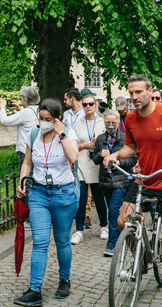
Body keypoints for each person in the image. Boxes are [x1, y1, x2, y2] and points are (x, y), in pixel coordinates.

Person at [15, 98, 80, 306]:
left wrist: (61, 135)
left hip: (63, 194)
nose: (43, 122)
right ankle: (35, 290)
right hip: (39, 194)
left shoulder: (69, 134)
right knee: (40, 242)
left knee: (62, 240)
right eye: (41, 118)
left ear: (58, 119)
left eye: (48, 119)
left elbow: (73, 158)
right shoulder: (33, 134)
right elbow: (27, 162)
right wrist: (22, 182)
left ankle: (64, 280)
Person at [104, 74, 162, 232]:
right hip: (144, 179)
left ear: (150, 91)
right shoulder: (131, 119)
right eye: (131, 93)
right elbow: (131, 147)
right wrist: (116, 155)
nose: (134, 97)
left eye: (139, 92)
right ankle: (138, 253)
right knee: (123, 221)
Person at [90, 109, 136, 257]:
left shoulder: (125, 139)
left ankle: (112, 243)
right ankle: (124, 235)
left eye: (113, 123)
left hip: (120, 181)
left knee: (114, 211)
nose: (110, 125)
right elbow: (95, 159)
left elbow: (133, 160)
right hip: (105, 181)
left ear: (118, 123)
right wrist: (99, 154)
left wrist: (119, 161)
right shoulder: (100, 139)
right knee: (114, 211)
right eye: (107, 122)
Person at [71, 93, 107, 244]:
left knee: (99, 198)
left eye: (91, 104)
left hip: (97, 163)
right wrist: (84, 145)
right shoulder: (78, 123)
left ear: (95, 105)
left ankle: (104, 226)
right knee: (81, 198)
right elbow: (72, 145)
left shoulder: (103, 123)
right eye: (85, 104)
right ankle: (79, 230)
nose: (88, 107)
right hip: (83, 163)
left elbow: (109, 140)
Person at [0, 86, 41, 171]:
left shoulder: (25, 112)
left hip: (25, 151)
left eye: (21, 97)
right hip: (37, 150)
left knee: (26, 178)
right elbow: (29, 118)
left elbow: (5, 121)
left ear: (25, 99)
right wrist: (20, 109)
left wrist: (2, 108)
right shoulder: (39, 109)